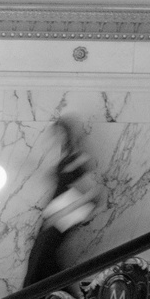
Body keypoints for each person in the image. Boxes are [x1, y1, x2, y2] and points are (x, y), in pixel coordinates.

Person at [25, 116, 99, 286]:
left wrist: (61, 214)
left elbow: (92, 193)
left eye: (59, 133)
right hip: (53, 214)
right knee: (41, 255)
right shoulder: (64, 158)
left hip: (62, 215)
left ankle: (41, 297)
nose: (56, 138)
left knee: (44, 254)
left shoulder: (80, 158)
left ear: (67, 134)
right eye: (54, 135)